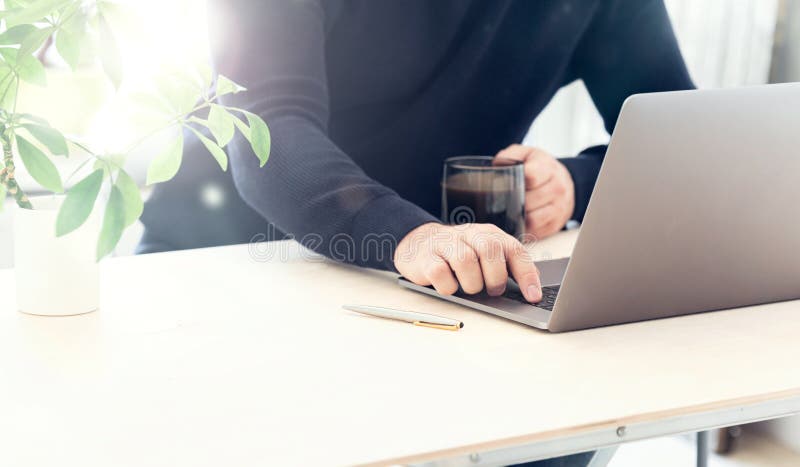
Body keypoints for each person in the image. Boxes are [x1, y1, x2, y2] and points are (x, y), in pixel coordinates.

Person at [138, 2, 693, 464]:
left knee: (561, 424)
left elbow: (678, 129)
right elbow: (269, 128)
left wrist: (573, 182)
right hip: (222, 255)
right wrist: (410, 234)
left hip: (427, 277)